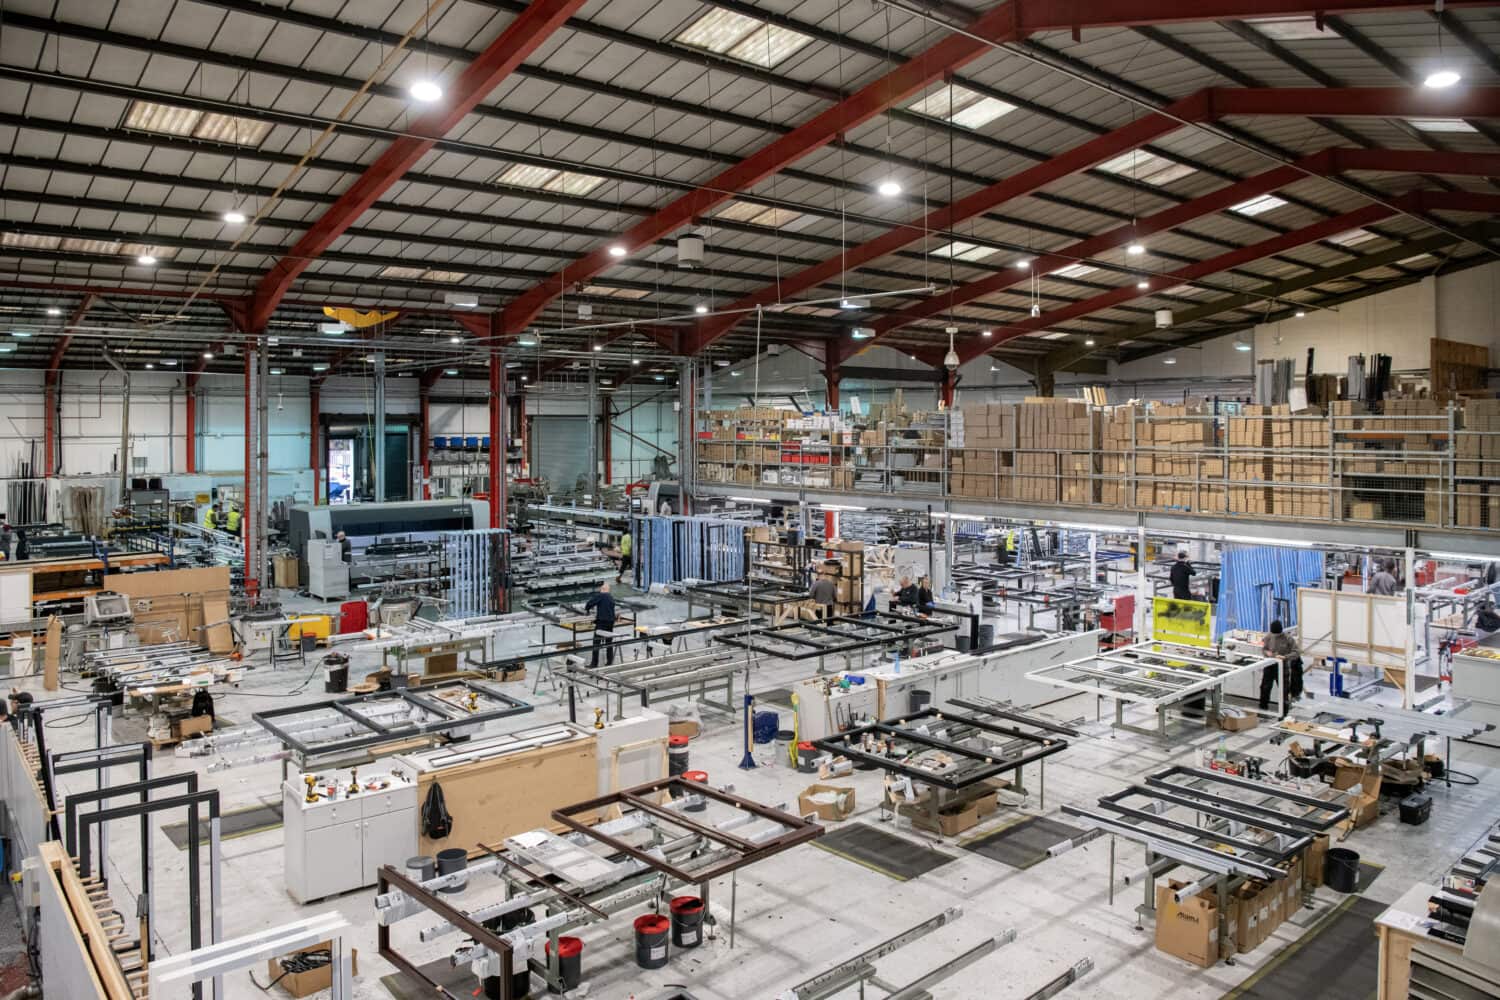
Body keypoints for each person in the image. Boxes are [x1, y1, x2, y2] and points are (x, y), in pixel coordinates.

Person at [1259, 620, 1303, 715]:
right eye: (1273, 634)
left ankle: (1284, 713)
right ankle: (1263, 709)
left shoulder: (1288, 638)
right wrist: (1267, 653)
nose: (1275, 636)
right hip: (1269, 665)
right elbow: (1263, 649)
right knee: (1265, 688)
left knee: (1284, 691)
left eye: (1277, 635)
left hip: (1283, 667)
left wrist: (1285, 657)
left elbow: (1296, 652)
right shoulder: (1268, 636)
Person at [584, 581, 617, 669]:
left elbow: (590, 603)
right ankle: (609, 661)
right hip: (610, 622)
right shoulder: (611, 597)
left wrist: (587, 609)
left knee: (596, 642)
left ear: (602, 589)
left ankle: (594, 663)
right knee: (609, 642)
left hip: (602, 622)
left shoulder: (601, 595)